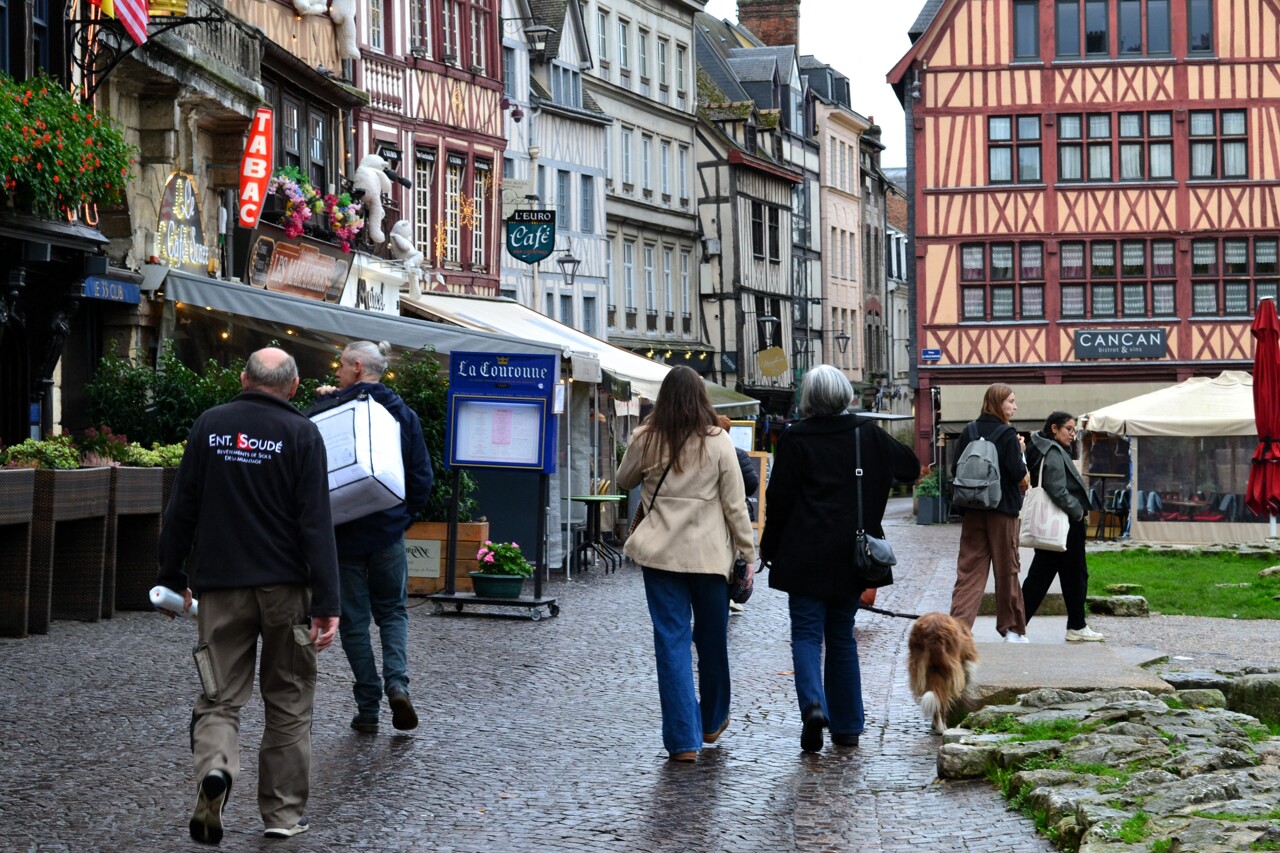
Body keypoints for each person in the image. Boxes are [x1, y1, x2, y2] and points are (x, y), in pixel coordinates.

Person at [157, 347, 340, 843]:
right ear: (295, 386)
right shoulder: (303, 433)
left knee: (218, 696)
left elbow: (182, 508)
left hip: (221, 590)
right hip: (288, 592)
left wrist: (172, 576)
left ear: (243, 378)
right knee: (289, 700)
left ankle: (216, 770)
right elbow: (316, 524)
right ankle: (281, 815)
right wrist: (328, 603)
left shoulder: (209, 426)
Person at [760, 365, 920, 753]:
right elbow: (911, 468)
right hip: (852, 554)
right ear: (846, 395)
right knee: (841, 636)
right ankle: (847, 725)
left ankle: (813, 704)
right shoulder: (866, 434)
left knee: (806, 633)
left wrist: (769, 547)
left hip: (803, 555)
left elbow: (778, 501)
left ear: (808, 399)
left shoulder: (795, 438)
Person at [617, 365, 756, 762]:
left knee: (671, 642)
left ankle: (683, 741)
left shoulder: (646, 437)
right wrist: (748, 554)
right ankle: (712, 720)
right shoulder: (719, 442)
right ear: (702, 399)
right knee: (712, 640)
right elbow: (735, 506)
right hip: (710, 559)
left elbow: (625, 479)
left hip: (660, 555)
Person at [309, 341, 434, 734]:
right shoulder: (403, 414)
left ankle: (368, 706)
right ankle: (397, 682)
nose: (336, 373)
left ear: (358, 367)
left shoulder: (329, 408)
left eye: (341, 366)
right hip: (387, 533)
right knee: (393, 612)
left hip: (342, 534)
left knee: (353, 622)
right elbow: (421, 478)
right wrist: (400, 519)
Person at [949, 383, 1030, 642]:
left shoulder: (969, 430)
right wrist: (1020, 452)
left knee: (968, 572)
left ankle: (958, 631)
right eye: (1010, 402)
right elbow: (1018, 474)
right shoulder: (1007, 434)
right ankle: (1013, 629)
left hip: (972, 510)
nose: (1015, 407)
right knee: (1007, 570)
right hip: (1002, 511)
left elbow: (955, 468)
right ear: (997, 403)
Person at [1021, 411, 1105, 643]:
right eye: (1068, 429)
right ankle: (1075, 626)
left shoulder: (1040, 447)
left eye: (1074, 429)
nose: (1072, 434)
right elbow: (1056, 488)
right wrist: (1077, 511)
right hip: (1065, 522)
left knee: (1045, 575)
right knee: (1073, 575)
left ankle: (1017, 625)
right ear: (1054, 428)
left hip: (1055, 523)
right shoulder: (1053, 450)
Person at [717, 415, 759, 614]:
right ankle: (729, 595)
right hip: (730, 520)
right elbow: (751, 485)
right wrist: (749, 556)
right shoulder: (737, 454)